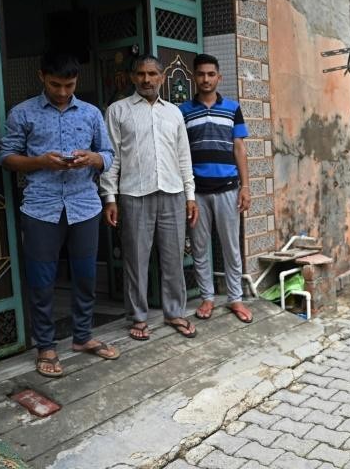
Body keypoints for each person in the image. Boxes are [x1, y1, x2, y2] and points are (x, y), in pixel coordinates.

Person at [0, 53, 119, 378]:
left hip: (84, 206)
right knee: (41, 280)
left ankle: (82, 337)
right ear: (42, 77)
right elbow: (8, 157)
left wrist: (92, 158)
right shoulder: (22, 113)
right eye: (56, 84)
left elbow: (109, 155)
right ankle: (46, 346)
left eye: (69, 85)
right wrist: (41, 161)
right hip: (41, 207)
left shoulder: (93, 113)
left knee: (86, 276)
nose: (64, 91)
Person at [100, 54, 199, 340]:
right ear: (132, 77)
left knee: (173, 259)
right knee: (136, 260)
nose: (147, 80)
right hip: (134, 194)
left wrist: (190, 196)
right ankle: (138, 317)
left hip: (173, 193)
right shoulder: (118, 111)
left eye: (152, 74)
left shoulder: (174, 113)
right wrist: (110, 197)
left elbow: (183, 157)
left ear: (162, 76)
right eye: (141, 74)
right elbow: (113, 158)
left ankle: (175, 313)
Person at [179, 54, 252, 323]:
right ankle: (207, 298)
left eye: (211, 74)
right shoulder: (183, 111)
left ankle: (236, 299)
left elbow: (240, 148)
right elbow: (182, 152)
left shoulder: (233, 108)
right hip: (197, 192)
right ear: (194, 77)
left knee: (231, 247)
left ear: (219, 77)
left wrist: (246, 186)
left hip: (228, 189)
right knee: (199, 247)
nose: (206, 79)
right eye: (201, 74)